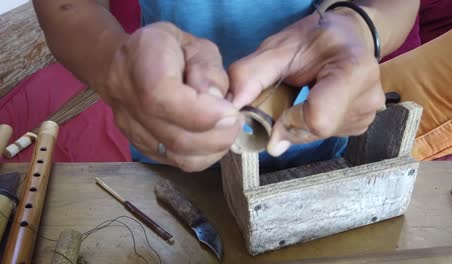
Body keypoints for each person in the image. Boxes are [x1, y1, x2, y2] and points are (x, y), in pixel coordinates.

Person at [32, 0, 419, 172]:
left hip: (321, 148)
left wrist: (359, 28)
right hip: (173, 146)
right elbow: (66, 5)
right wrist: (113, 62)